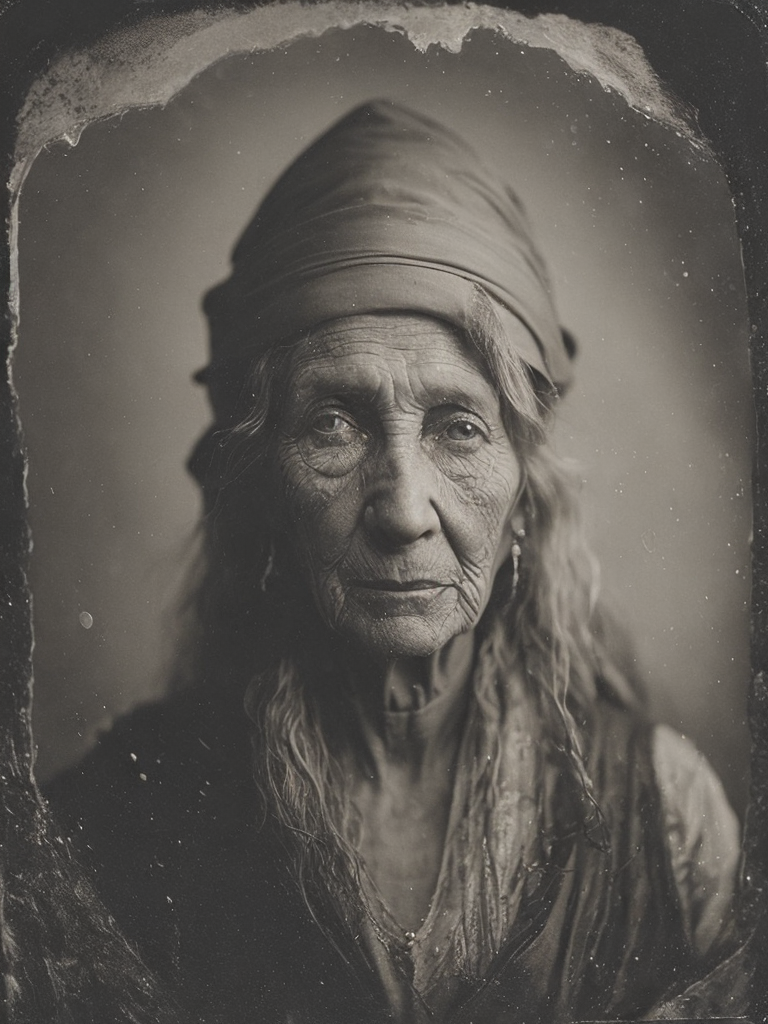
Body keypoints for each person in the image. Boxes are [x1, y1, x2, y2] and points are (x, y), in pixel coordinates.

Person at [46, 101, 742, 1023]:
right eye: (333, 424)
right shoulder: (115, 822)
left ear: (525, 485)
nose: (405, 509)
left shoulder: (670, 820)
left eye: (460, 428)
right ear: (262, 482)